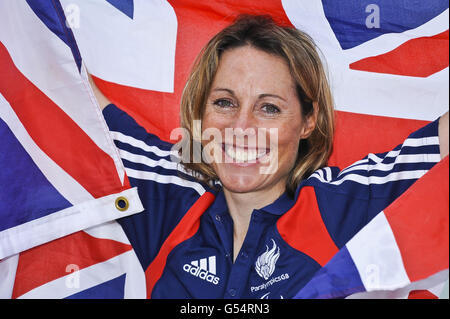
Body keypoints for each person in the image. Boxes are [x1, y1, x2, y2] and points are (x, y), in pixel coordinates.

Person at [89, 15, 449, 299]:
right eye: (225, 103)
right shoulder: (169, 199)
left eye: (270, 108)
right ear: (200, 112)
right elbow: (63, 84)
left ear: (309, 120)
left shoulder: (339, 205)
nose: (242, 126)